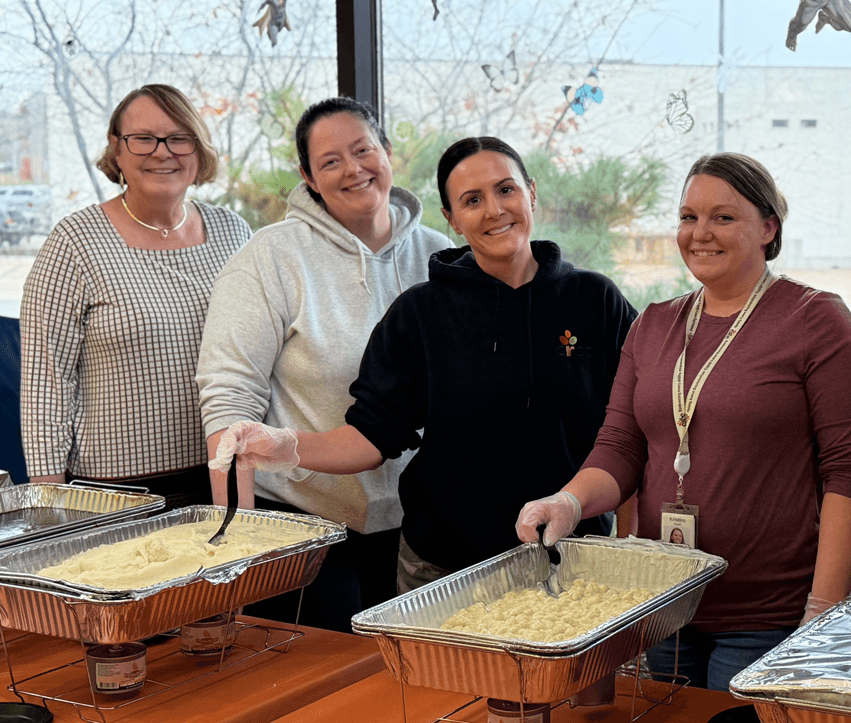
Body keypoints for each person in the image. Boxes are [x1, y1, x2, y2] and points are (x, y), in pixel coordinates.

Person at [516, 152, 851, 692]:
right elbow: (620, 447)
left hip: (769, 616)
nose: (699, 233)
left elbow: (850, 473)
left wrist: (821, 611)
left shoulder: (816, 320)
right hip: (662, 607)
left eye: (723, 217)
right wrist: (567, 501)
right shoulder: (654, 324)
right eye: (688, 217)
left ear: (768, 227)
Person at [209, 136, 638, 592]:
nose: (494, 210)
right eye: (472, 201)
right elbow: (371, 436)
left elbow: (635, 431)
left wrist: (634, 542)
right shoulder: (420, 313)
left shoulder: (596, 300)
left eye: (505, 189)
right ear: (451, 219)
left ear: (531, 192)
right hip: (444, 567)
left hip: (578, 560)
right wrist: (286, 446)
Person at [196, 97, 453, 632]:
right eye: (330, 161)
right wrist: (238, 544)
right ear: (308, 177)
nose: (353, 170)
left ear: (388, 153)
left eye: (363, 151)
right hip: (303, 525)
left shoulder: (441, 256)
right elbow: (229, 400)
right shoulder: (271, 257)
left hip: (421, 528)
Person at [21, 84, 251, 508]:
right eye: (143, 138)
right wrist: (50, 502)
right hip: (115, 492)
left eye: (179, 138)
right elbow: (45, 384)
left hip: (227, 475)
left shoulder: (233, 233)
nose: (162, 152)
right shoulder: (75, 241)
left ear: (198, 150)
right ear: (117, 149)